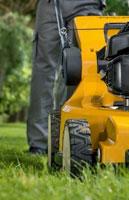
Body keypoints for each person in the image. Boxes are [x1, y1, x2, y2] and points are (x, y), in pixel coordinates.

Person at [27, 0, 105, 154]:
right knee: (44, 68)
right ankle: (40, 143)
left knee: (85, 66)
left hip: (88, 3)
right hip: (52, 3)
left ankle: (76, 134)